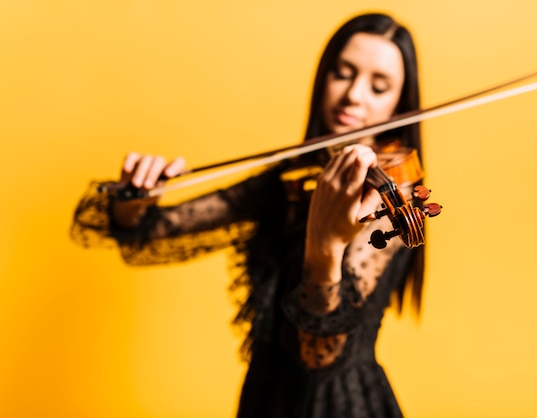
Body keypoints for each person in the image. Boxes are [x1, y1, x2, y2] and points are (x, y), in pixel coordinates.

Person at [72, 12, 429, 417]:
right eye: (342, 74)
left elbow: (319, 356)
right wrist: (134, 200)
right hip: (267, 400)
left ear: (400, 104)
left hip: (340, 405)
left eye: (379, 87)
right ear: (323, 79)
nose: (354, 95)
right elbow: (152, 230)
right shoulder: (290, 181)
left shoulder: (389, 203)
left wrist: (325, 246)